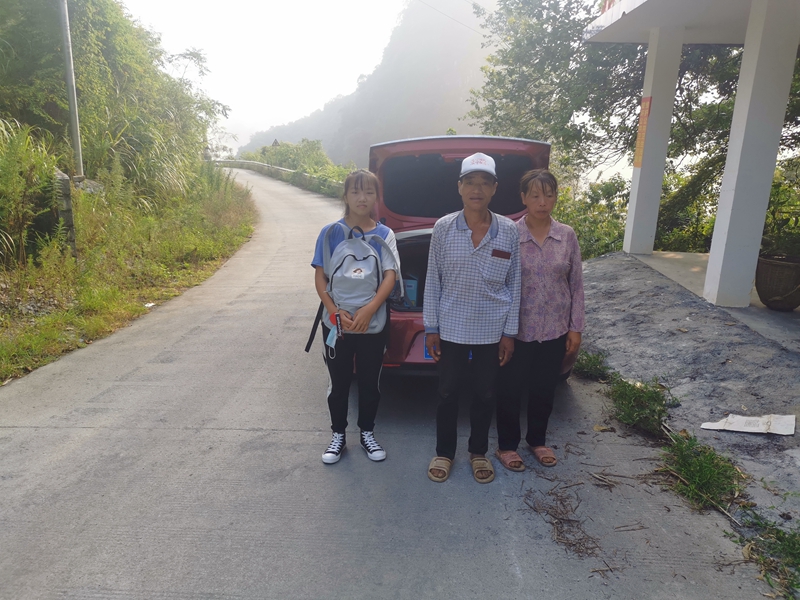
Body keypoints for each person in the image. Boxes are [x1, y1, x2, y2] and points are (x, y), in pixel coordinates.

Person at [423, 152, 521, 484]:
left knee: (485, 393)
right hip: (450, 326)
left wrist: (509, 333)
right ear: (459, 187)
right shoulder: (443, 228)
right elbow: (433, 280)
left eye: (484, 183)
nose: (476, 189)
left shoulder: (508, 231)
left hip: (491, 329)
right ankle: (444, 452)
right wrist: (431, 327)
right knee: (447, 392)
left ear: (494, 188)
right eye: (470, 182)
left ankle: (478, 452)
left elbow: (515, 283)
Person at [494, 169, 584, 472]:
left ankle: (537, 440)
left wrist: (575, 328)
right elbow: (499, 282)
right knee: (510, 389)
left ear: (556, 197)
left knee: (544, 388)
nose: (542, 201)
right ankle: (507, 445)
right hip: (516, 330)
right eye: (535, 195)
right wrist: (501, 331)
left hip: (555, 329)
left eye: (548, 194)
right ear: (523, 198)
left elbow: (576, 285)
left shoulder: (567, 235)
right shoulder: (510, 234)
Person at [311, 169, 399, 465]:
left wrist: (370, 309)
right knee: (338, 383)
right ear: (345, 196)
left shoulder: (385, 235)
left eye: (369, 192)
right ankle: (337, 435)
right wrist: (333, 311)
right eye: (356, 191)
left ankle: (367, 433)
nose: (363, 198)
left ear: (377, 197)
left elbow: (390, 275)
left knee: (370, 383)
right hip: (336, 323)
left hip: (372, 323)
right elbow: (320, 277)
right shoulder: (330, 233)